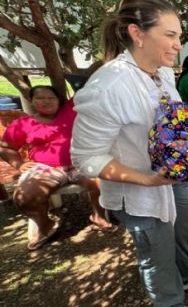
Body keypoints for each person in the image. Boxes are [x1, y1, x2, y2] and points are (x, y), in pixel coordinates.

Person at [71, 0, 188, 307]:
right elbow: (85, 158)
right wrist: (146, 180)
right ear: (137, 34)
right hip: (141, 192)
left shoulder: (163, 73)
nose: (179, 45)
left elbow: (170, 120)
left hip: (170, 178)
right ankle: (171, 300)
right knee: (157, 260)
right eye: (170, 35)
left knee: (181, 231)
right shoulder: (108, 87)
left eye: (179, 35)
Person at [0, 85, 115, 251]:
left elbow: (93, 85)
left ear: (59, 100)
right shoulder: (24, 123)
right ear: (32, 101)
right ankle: (44, 224)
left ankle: (98, 215)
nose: (46, 102)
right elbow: (6, 147)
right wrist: (19, 164)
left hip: (79, 161)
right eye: (40, 98)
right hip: (44, 167)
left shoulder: (71, 110)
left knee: (102, 180)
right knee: (24, 198)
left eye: (51, 98)